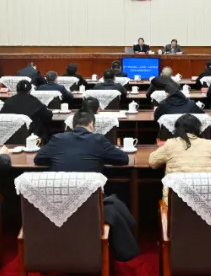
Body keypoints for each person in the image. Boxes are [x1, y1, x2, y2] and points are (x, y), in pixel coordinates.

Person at [34, 111, 138, 261]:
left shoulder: (57, 139)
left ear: (72, 125)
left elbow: (38, 159)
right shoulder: (97, 140)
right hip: (91, 205)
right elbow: (124, 159)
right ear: (91, 124)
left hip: (57, 204)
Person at [149, 114, 211, 197]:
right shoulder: (208, 144)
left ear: (177, 129)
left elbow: (152, 162)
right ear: (197, 128)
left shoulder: (170, 144)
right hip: (208, 199)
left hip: (176, 201)